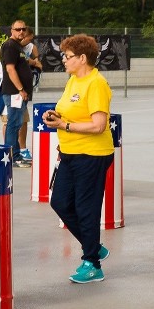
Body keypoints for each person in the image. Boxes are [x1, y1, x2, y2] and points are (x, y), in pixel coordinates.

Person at [42, 34, 114, 283]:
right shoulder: (73, 80)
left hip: (92, 155)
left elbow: (98, 125)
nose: (64, 60)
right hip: (70, 153)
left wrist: (65, 125)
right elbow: (68, 110)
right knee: (60, 202)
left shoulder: (96, 83)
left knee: (86, 209)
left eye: (68, 56)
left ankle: (92, 263)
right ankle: (92, 245)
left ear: (82, 58)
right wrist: (56, 115)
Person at [0, 20, 33, 168]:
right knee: (13, 124)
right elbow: (10, 69)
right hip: (14, 93)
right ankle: (12, 157)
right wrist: (20, 89)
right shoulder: (10, 46)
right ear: (11, 30)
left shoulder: (17, 46)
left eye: (23, 29)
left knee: (17, 123)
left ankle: (17, 155)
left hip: (18, 94)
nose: (21, 32)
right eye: (18, 29)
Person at [18, 28, 42, 161]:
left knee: (23, 120)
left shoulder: (32, 47)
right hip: (14, 89)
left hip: (25, 87)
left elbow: (38, 63)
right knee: (10, 121)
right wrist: (31, 62)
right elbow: (19, 62)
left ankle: (22, 148)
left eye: (30, 39)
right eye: (27, 38)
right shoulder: (13, 46)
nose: (28, 41)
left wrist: (35, 64)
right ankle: (14, 149)